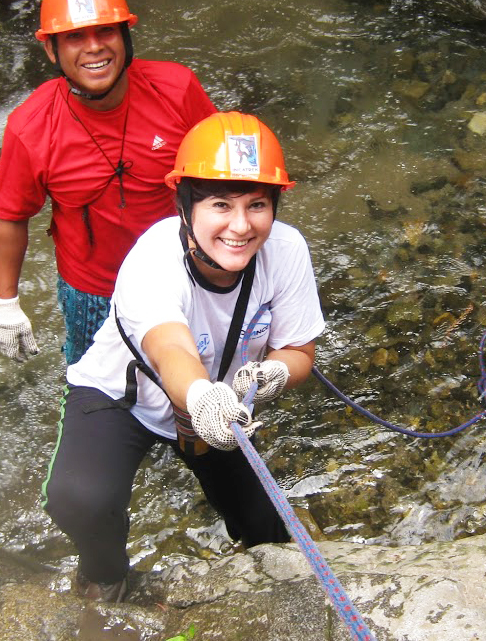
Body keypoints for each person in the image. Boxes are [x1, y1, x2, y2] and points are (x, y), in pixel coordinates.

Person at [40, 112, 326, 601]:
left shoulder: (287, 251)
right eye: (220, 205)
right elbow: (168, 346)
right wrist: (200, 397)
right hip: (125, 396)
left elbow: (299, 348)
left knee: (270, 528)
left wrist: (278, 371)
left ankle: (262, 594)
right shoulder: (152, 259)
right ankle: (104, 575)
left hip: (223, 406)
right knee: (78, 498)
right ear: (185, 206)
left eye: (257, 204)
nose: (240, 226)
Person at [0, 0, 217, 365]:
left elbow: (224, 175)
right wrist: (5, 305)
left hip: (183, 269)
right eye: (75, 36)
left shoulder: (175, 90)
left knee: (192, 373)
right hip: (92, 288)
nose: (94, 48)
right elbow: (12, 217)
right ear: (52, 50)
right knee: (93, 384)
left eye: (106, 32)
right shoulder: (30, 127)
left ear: (125, 38)